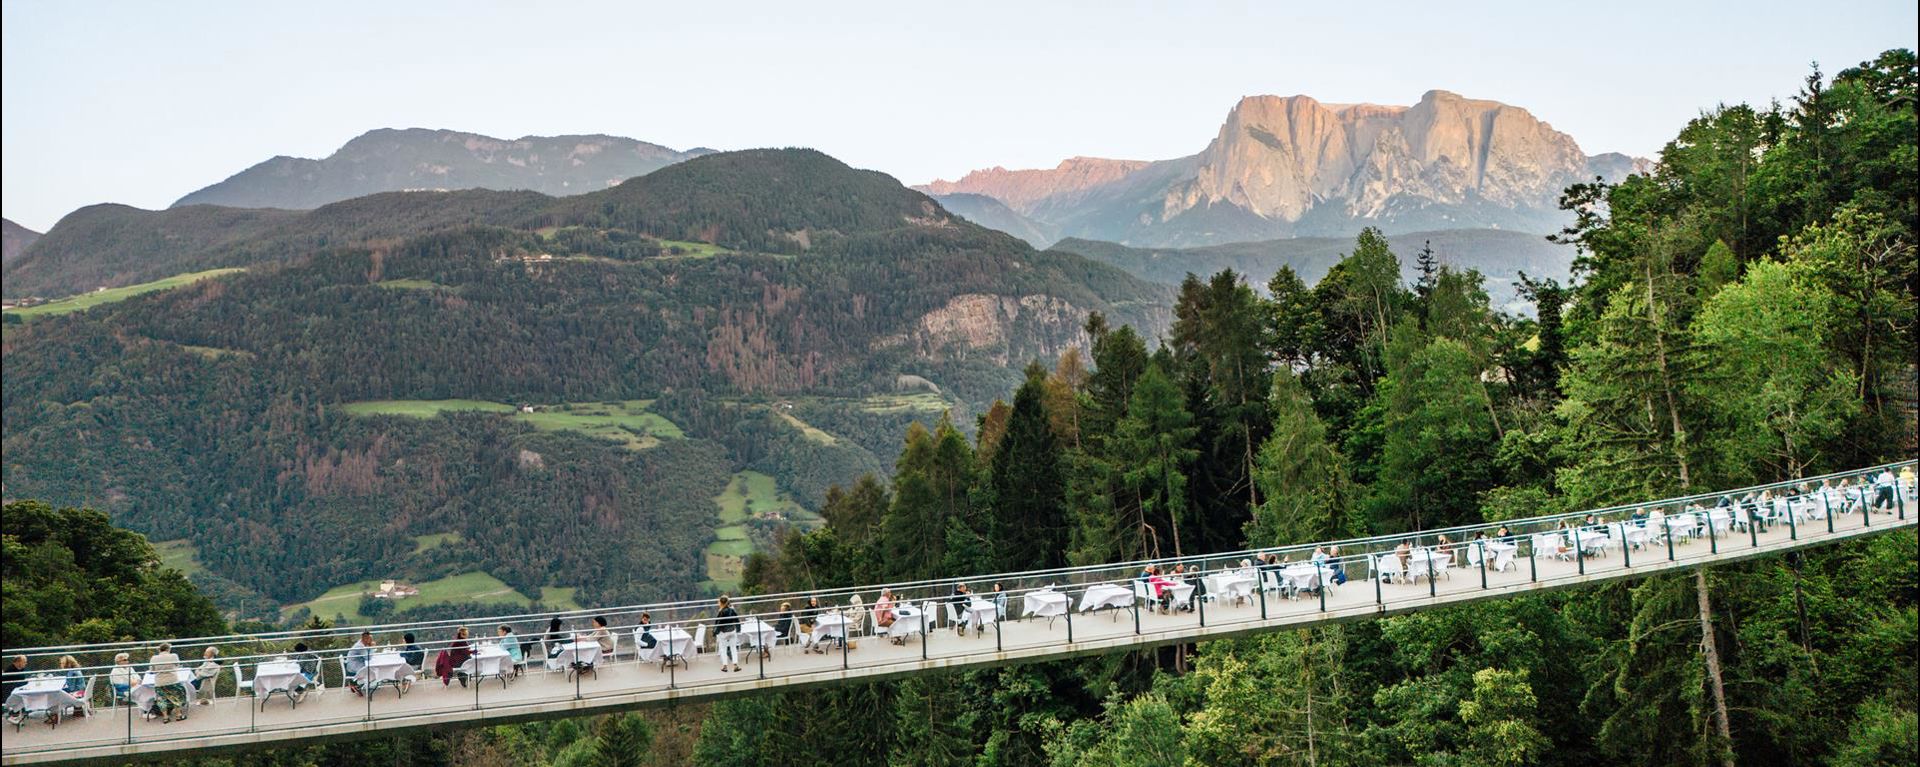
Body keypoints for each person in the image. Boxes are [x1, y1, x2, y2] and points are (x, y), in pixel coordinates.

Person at [149, 643, 188, 723]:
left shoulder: (154, 658)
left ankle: (165, 717)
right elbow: (177, 665)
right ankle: (178, 715)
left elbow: (152, 670)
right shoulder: (173, 656)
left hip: (159, 682)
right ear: (168, 649)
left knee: (161, 699)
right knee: (177, 697)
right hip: (172, 680)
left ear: (159, 649)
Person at [715, 596, 742, 673]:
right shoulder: (732, 610)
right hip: (732, 631)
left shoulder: (721, 612)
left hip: (724, 633)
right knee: (733, 648)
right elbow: (737, 620)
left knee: (723, 649)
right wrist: (738, 630)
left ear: (721, 603)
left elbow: (718, 624)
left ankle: (725, 666)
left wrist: (715, 632)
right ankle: (735, 665)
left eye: (718, 602)